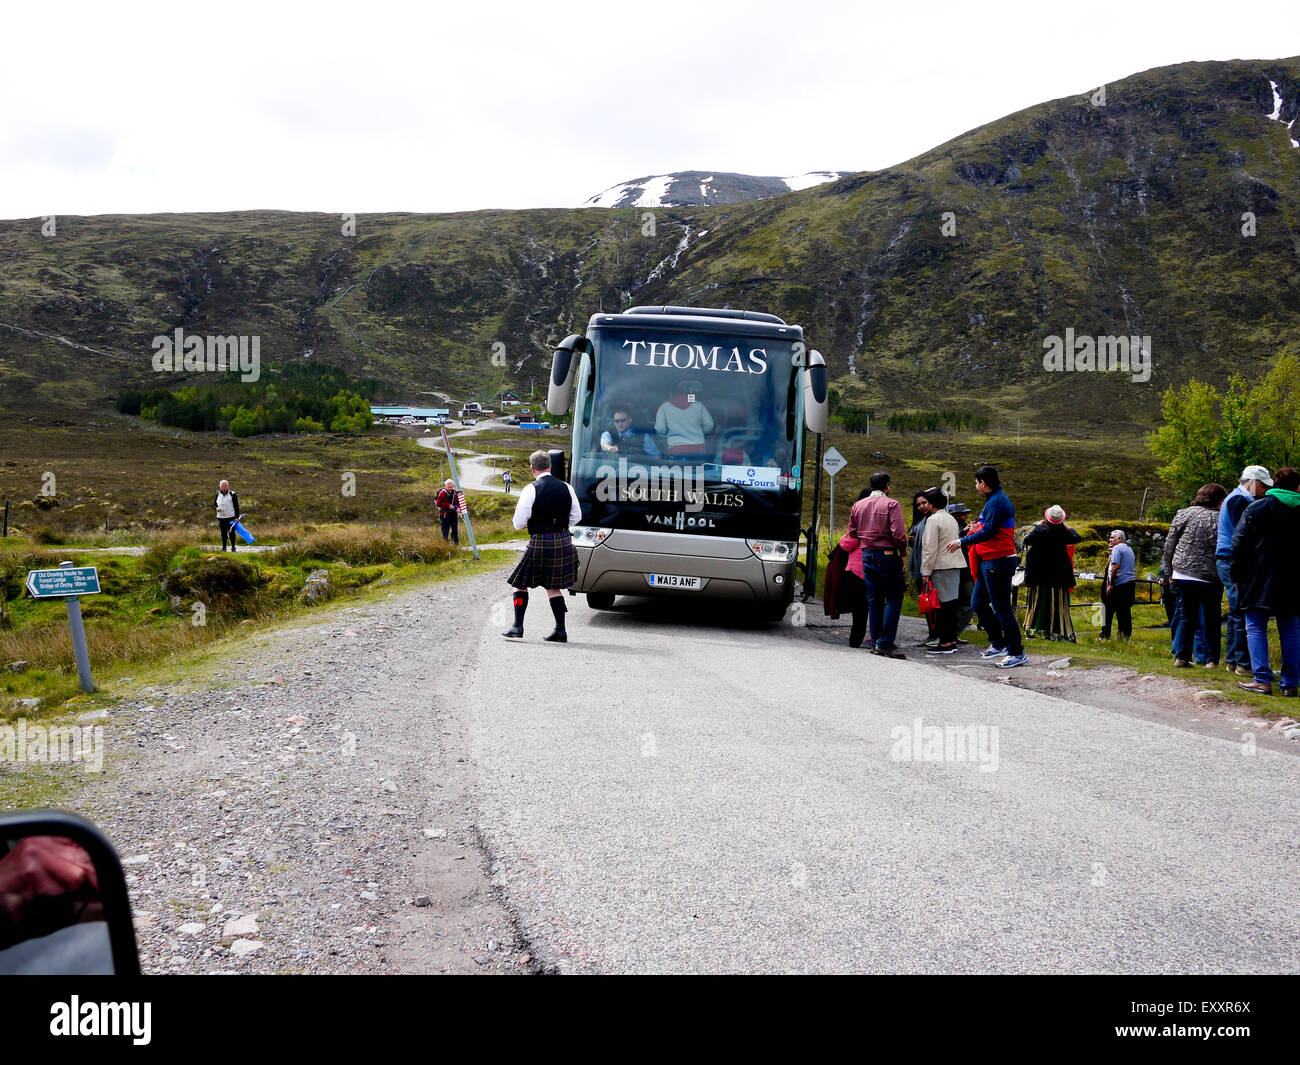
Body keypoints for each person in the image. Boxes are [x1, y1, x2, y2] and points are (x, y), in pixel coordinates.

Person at [1230, 466, 1300, 696]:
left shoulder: (1257, 507)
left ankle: (1262, 679)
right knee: (1290, 630)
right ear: (1297, 487)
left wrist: (1237, 576)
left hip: (1257, 576)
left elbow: (1238, 544)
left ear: (1274, 485)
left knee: (1256, 626)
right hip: (1293, 579)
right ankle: (1290, 684)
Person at [946, 465, 1025, 668]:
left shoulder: (998, 502)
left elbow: (989, 531)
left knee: (1002, 608)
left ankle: (1016, 652)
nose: (976, 487)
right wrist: (975, 529)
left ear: (983, 483)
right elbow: (988, 528)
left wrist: (962, 541)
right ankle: (998, 643)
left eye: (976, 482)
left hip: (998, 560)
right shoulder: (993, 501)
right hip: (988, 560)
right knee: (978, 603)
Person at [503, 451, 582, 642]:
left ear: (532, 469)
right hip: (563, 540)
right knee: (554, 587)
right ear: (550, 466)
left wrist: (532, 525)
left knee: (519, 584)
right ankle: (560, 630)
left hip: (539, 541)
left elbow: (518, 522)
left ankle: (517, 626)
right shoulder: (566, 487)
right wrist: (561, 526)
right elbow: (577, 516)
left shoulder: (531, 489)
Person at [1216, 465, 1273, 678]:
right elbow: (1245, 533)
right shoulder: (1240, 501)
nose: (1265, 490)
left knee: (1236, 610)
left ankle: (1233, 660)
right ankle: (1243, 663)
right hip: (1232, 558)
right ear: (1252, 482)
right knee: (1241, 609)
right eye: (1263, 485)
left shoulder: (1235, 497)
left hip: (1227, 557)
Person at [1162, 483, 1228, 668]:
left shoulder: (1183, 513)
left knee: (1186, 615)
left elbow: (1169, 545)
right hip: (1211, 574)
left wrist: (1169, 572)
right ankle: (1211, 660)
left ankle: (1182, 657)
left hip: (1184, 572)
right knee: (1212, 617)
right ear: (1219, 500)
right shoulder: (1221, 517)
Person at [845, 471, 907, 658]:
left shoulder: (858, 505)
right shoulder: (891, 504)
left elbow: (853, 532)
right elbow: (898, 534)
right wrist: (902, 553)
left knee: (874, 599)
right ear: (887, 486)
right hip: (887, 554)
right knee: (894, 597)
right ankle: (885, 642)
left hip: (866, 554)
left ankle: (876, 639)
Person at [1021, 505, 1082, 642]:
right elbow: (1077, 537)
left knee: (1036, 603)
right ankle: (1058, 631)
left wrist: (1038, 527)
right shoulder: (1064, 534)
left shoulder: (1040, 532)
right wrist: (1065, 526)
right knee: (1058, 605)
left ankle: (1032, 628)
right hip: (1058, 576)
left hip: (1039, 575)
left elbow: (1027, 540)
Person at [920, 488, 966, 654]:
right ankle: (951, 639)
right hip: (955, 564)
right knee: (951, 603)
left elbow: (929, 547)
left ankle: (945, 642)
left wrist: (925, 571)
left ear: (931, 503)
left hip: (941, 565)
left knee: (942, 605)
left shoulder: (933, 520)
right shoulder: (951, 519)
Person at [654, 380, 714, 460]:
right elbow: (709, 425)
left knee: (677, 472)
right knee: (698, 471)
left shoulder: (664, 407)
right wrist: (698, 432)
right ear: (686, 393)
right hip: (698, 449)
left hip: (676, 449)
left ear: (670, 394)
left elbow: (660, 428)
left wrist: (665, 435)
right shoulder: (698, 406)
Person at [1101, 530, 1137, 640]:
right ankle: (1125, 635)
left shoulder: (1117, 548)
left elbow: (1115, 567)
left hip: (1119, 583)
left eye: (1112, 538)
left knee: (1108, 609)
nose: (1110, 540)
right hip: (1129, 583)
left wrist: (1111, 584)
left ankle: (1105, 634)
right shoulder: (1129, 549)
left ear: (1120, 539)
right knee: (1125, 611)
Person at [947, 503, 975, 641]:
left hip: (964, 570)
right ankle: (952, 633)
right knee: (968, 602)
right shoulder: (956, 528)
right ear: (956, 515)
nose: (966, 516)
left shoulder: (962, 527)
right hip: (961, 571)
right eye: (963, 513)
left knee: (959, 603)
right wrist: (965, 533)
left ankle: (952, 634)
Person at [214, 479, 240, 552]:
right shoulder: (217, 495)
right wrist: (217, 508)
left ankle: (233, 547)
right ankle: (224, 547)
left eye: (225, 485)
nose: (224, 487)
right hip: (221, 517)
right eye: (222, 485)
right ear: (220, 487)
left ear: (228, 486)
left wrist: (236, 517)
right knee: (223, 533)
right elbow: (214, 504)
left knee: (232, 533)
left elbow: (236, 506)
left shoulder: (232, 494)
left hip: (231, 517)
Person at [436, 479, 460, 545]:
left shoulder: (455, 492)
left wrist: (458, 508)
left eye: (451, 484)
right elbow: (438, 504)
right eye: (448, 484)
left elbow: (458, 502)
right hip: (445, 515)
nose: (450, 485)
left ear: (453, 485)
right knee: (445, 531)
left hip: (454, 514)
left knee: (455, 529)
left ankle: (455, 543)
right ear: (445, 485)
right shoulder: (442, 493)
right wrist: (448, 505)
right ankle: (445, 545)